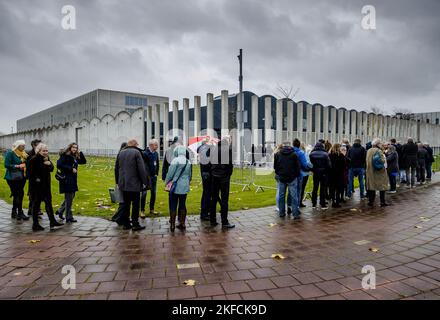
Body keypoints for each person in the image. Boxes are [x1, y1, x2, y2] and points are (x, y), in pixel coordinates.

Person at [27, 143, 64, 231]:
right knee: (36, 205)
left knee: (48, 203)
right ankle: (35, 224)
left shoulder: (46, 158)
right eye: (43, 151)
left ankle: (52, 221)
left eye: (46, 150)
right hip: (36, 187)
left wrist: (49, 164)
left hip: (46, 186)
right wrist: (37, 178)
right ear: (38, 151)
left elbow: (51, 169)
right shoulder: (33, 159)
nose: (45, 152)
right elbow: (29, 173)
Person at [115, 139, 149, 231]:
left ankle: (126, 223)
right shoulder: (136, 152)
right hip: (134, 184)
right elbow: (141, 169)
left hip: (123, 184)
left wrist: (117, 182)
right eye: (137, 144)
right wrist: (145, 182)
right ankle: (135, 224)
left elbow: (116, 168)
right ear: (134, 144)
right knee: (135, 205)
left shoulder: (121, 152)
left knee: (126, 204)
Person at [56, 143, 87, 223]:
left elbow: (83, 161)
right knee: (69, 198)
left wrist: (80, 153)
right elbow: (59, 164)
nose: (74, 149)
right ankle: (69, 217)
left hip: (72, 179)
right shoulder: (65, 155)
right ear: (70, 148)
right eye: (73, 147)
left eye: (76, 148)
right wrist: (70, 169)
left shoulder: (74, 156)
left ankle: (60, 210)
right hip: (66, 179)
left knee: (71, 196)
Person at [165, 145, 192, 232]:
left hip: (175, 186)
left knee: (173, 205)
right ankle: (182, 223)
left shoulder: (175, 160)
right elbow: (190, 176)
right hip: (184, 186)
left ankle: (172, 225)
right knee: (182, 204)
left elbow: (170, 174)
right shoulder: (188, 162)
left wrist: (167, 182)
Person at [209, 136, 235, 229]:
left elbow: (210, 161)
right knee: (224, 200)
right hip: (223, 177)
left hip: (214, 175)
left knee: (214, 198)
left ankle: (212, 219)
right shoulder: (227, 149)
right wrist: (228, 174)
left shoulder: (214, 149)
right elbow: (230, 164)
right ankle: (224, 221)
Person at [4, 140, 29, 220]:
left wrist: (25, 165)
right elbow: (7, 165)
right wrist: (18, 166)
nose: (24, 147)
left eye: (24, 145)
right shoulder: (11, 153)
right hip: (12, 177)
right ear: (17, 146)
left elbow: (27, 162)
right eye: (22, 146)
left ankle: (14, 212)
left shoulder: (24, 154)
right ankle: (19, 212)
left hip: (22, 177)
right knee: (17, 194)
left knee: (19, 194)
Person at [274, 141, 301, 218]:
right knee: (294, 196)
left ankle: (281, 213)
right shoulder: (294, 154)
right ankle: (295, 213)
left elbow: (275, 167)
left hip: (282, 177)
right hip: (291, 178)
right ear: (290, 146)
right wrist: (296, 175)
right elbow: (297, 167)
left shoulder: (277, 154)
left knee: (281, 195)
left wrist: (279, 173)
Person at [366, 138, 389, 207]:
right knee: (382, 186)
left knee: (372, 187)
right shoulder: (379, 151)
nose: (381, 144)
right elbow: (382, 161)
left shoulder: (369, 150)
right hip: (379, 171)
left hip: (370, 171)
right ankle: (382, 202)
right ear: (378, 144)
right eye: (380, 143)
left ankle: (371, 201)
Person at [291, 139, 312, 212]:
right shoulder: (302, 153)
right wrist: (310, 168)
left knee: (294, 190)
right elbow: (305, 164)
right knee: (300, 189)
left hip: (294, 173)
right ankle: (298, 204)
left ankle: (292, 205)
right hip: (302, 174)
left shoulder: (293, 152)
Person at [309, 142, 332, 210]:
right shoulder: (325, 154)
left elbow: (310, 164)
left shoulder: (311, 154)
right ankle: (322, 204)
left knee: (315, 188)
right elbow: (329, 165)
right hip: (323, 173)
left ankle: (314, 203)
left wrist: (313, 170)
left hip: (315, 172)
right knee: (323, 188)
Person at [141, 139, 160, 218]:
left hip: (153, 177)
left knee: (153, 193)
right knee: (144, 194)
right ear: (151, 145)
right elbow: (143, 166)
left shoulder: (156, 153)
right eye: (156, 145)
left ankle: (152, 209)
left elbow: (157, 164)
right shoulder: (144, 153)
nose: (157, 146)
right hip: (146, 177)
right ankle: (142, 211)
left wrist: (156, 174)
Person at [111, 142, 128, 223]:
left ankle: (119, 217)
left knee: (123, 201)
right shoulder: (121, 156)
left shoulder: (120, 155)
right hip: (122, 181)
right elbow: (116, 169)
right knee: (123, 201)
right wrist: (117, 182)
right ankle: (117, 218)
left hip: (120, 181)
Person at [26, 139, 43, 218]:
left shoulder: (42, 152)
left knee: (39, 193)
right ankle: (34, 210)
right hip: (33, 177)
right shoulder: (29, 154)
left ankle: (33, 210)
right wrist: (34, 177)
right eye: (38, 145)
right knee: (33, 194)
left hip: (41, 176)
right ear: (33, 145)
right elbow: (29, 168)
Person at [197, 138, 212, 221]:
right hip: (207, 173)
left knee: (206, 193)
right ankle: (204, 213)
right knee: (207, 194)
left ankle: (206, 211)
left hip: (204, 173)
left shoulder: (201, 149)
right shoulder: (205, 150)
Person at [328, 144, 346, 208]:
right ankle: (337, 202)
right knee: (338, 189)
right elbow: (344, 165)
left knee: (332, 188)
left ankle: (333, 201)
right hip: (339, 174)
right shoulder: (341, 156)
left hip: (331, 174)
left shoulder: (329, 155)